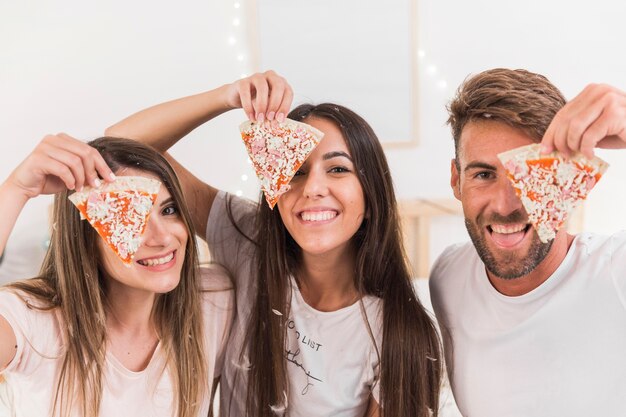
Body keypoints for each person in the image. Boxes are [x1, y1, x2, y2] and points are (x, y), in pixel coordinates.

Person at [106, 71, 443, 417]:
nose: (312, 188)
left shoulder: (400, 333)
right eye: (295, 170)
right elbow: (120, 145)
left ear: (371, 196)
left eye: (338, 170)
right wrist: (228, 95)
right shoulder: (249, 239)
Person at [429, 68, 626, 417]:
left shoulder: (614, 271)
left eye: (531, 175)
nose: (506, 205)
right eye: (484, 175)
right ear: (456, 180)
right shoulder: (447, 276)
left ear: (565, 181)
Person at [0, 135, 233, 417]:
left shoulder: (213, 301)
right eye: (130, 218)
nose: (162, 238)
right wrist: (16, 188)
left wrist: (228, 95)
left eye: (169, 210)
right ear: (85, 237)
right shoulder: (32, 318)